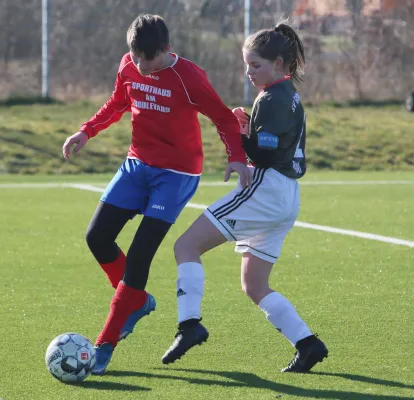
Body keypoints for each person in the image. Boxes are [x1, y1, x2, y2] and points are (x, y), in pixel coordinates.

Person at [62, 14, 252, 375]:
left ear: (166, 50)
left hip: (176, 174)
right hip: (138, 164)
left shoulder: (190, 77)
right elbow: (118, 102)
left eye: (146, 61)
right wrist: (86, 131)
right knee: (97, 237)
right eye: (134, 58)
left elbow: (224, 118)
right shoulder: (129, 63)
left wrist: (237, 158)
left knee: (140, 252)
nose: (139, 67)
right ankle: (135, 300)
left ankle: (106, 342)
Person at [161, 21, 328, 373]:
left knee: (185, 247)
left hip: (266, 189)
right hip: (286, 196)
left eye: (257, 65)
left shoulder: (272, 98)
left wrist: (240, 130)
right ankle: (307, 344)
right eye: (246, 64)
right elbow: (272, 144)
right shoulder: (286, 94)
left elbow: (263, 156)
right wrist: (248, 126)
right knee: (254, 284)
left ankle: (189, 325)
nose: (249, 72)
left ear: (280, 64)